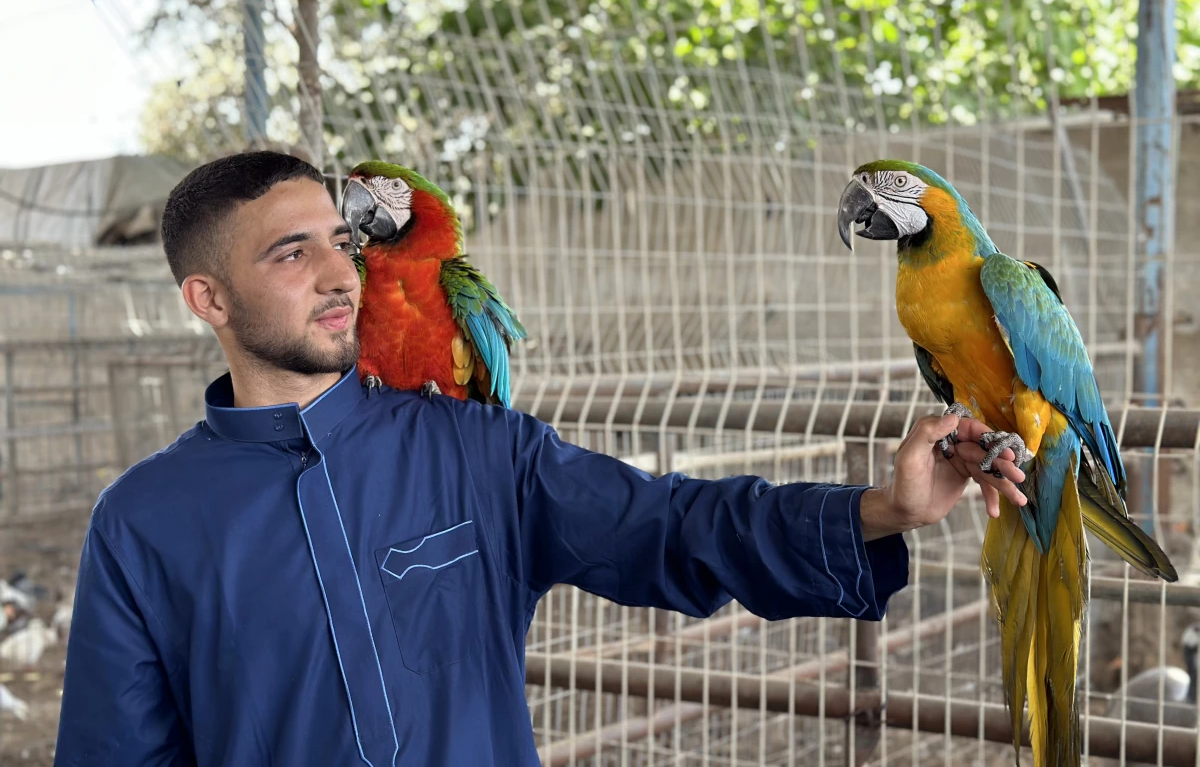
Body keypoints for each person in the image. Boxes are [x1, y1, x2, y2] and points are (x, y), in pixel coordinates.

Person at [53, 151, 1026, 767]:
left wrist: (877, 509)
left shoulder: (479, 450)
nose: (339, 270)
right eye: (288, 253)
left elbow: (674, 524)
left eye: (340, 242)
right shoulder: (143, 519)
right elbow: (115, 747)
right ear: (208, 300)